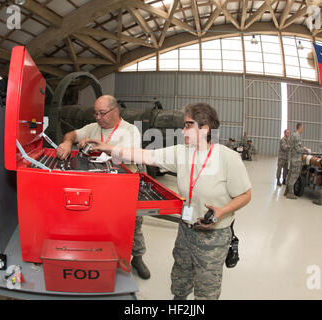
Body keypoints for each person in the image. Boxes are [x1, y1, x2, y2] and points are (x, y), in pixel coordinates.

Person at [88, 102, 252, 300]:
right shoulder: (182, 152)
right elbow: (145, 155)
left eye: (188, 125)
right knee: (181, 274)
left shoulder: (228, 158)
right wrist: (107, 147)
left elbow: (245, 195)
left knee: (207, 288)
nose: (183, 130)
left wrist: (222, 211)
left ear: (205, 129)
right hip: (186, 229)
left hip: (213, 236)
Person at [56, 95, 151, 280]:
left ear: (115, 111)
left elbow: (131, 157)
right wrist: (68, 142)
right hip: (99, 189)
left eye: (102, 113)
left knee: (133, 226)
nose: (98, 118)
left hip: (124, 189)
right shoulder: (94, 127)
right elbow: (73, 134)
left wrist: (100, 146)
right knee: (102, 226)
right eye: (95, 113)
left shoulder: (130, 130)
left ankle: (137, 258)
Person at [284, 123, 308, 199]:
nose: (303, 129)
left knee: (290, 174)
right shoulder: (297, 136)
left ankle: (287, 191)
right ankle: (290, 193)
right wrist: (304, 149)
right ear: (300, 128)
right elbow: (297, 149)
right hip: (296, 159)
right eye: (302, 128)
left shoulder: (292, 135)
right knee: (294, 175)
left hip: (292, 158)